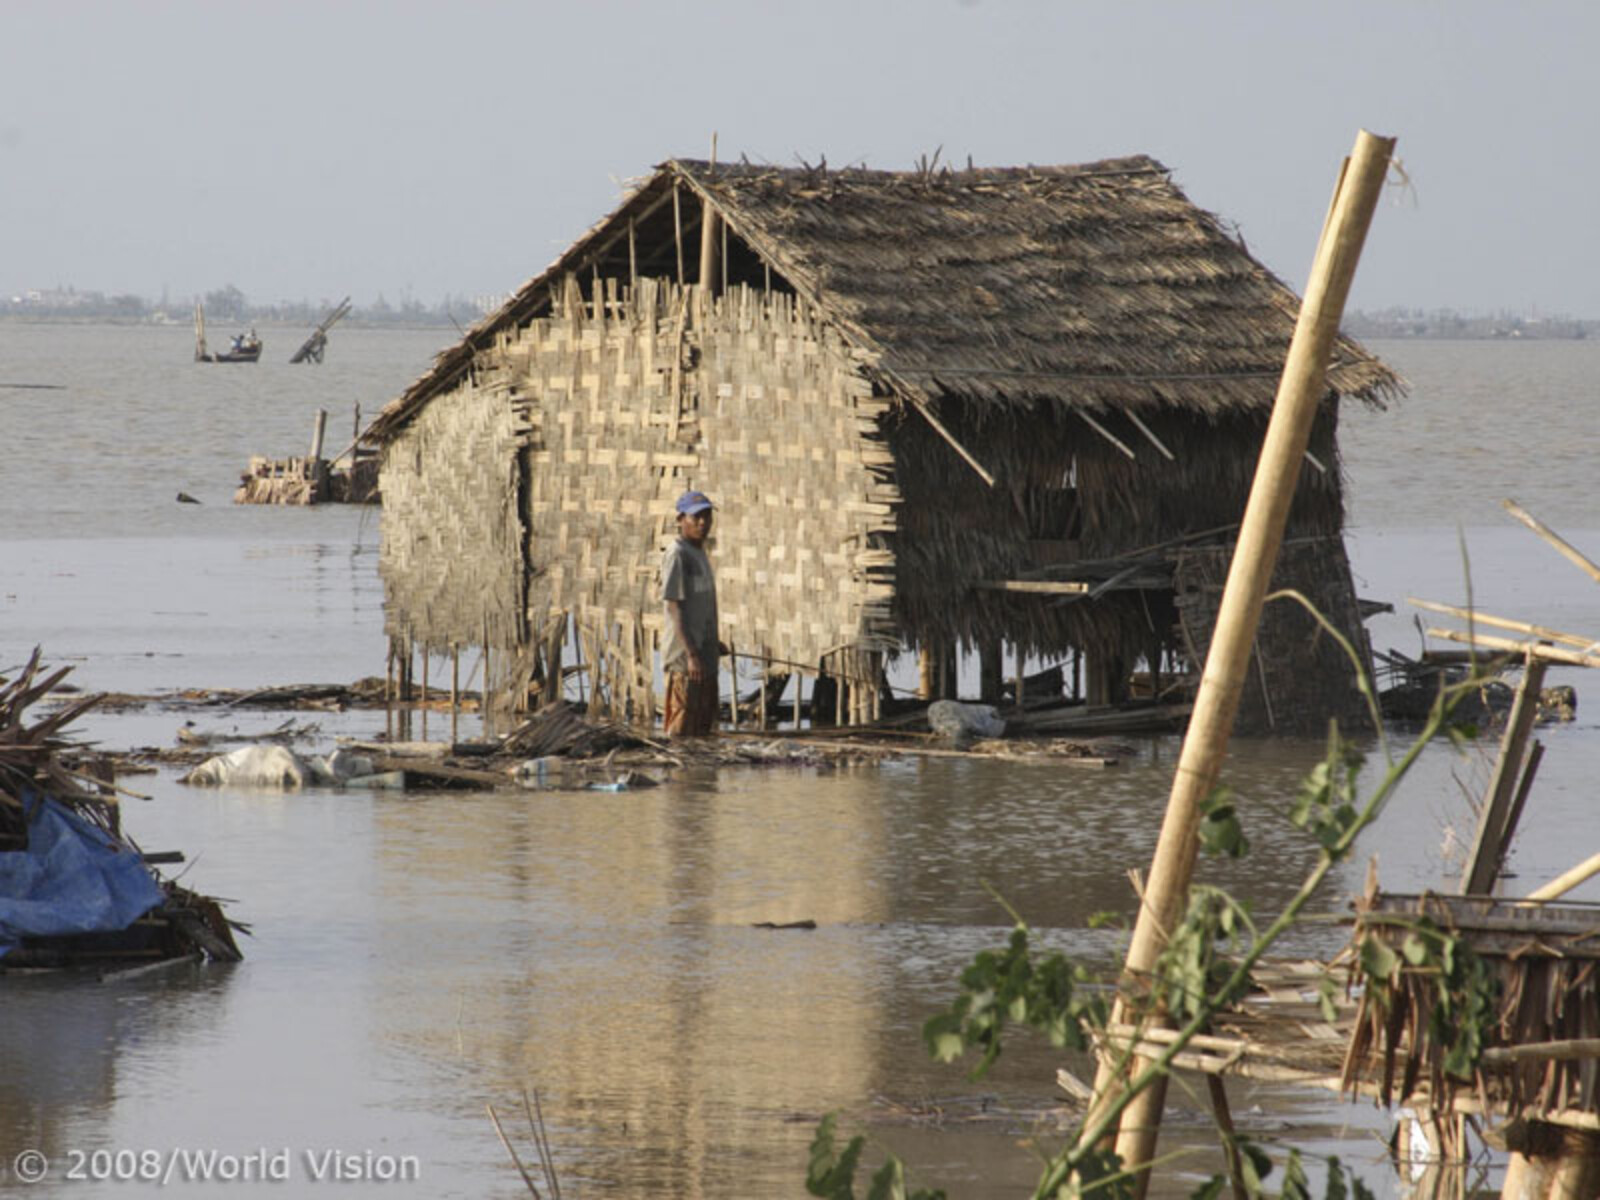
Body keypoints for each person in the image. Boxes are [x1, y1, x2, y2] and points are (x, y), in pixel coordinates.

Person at [660, 490, 721, 737]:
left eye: (706, 516)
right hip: (685, 659)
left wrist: (713, 643)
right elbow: (674, 606)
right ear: (680, 520)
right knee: (681, 726)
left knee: (703, 727)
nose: (702, 522)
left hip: (704, 655)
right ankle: (678, 776)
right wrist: (692, 654)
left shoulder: (699, 552)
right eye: (696, 517)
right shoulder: (678, 554)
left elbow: (700, 606)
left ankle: (699, 776)